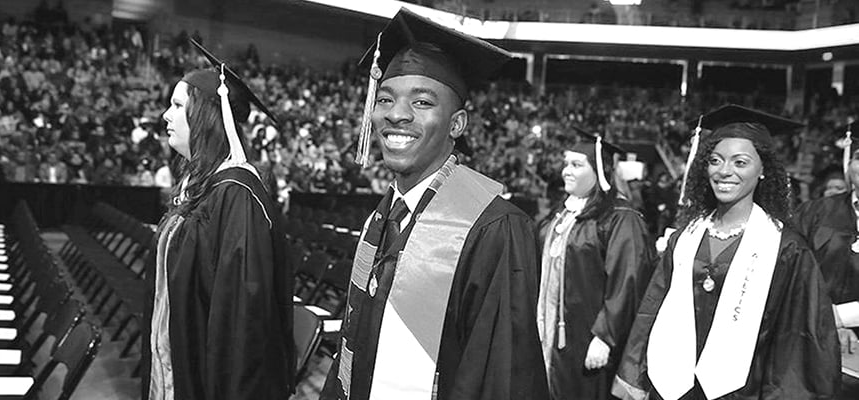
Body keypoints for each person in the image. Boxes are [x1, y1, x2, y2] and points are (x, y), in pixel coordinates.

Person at [321, 8, 548, 400]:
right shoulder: (383, 216)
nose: (396, 114)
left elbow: (504, 378)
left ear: (457, 125)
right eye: (386, 98)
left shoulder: (494, 228)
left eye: (422, 102)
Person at [613, 104, 839, 400]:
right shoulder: (685, 238)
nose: (724, 171)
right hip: (671, 386)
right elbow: (651, 308)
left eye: (740, 163)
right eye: (715, 160)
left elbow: (799, 337)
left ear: (763, 171)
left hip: (745, 390)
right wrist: (634, 373)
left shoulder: (786, 248)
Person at [142, 39, 293, 400]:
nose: (166, 114)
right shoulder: (200, 188)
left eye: (177, 105)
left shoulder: (236, 194)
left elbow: (243, 321)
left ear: (208, 115)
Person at [537, 128, 656, 400]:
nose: (567, 170)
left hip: (588, 338)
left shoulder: (619, 218)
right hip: (549, 335)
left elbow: (628, 279)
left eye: (577, 165)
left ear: (600, 171)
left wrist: (605, 336)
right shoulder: (561, 215)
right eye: (566, 163)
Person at [791, 121, 859, 396]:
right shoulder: (815, 213)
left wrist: (841, 318)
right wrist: (826, 320)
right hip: (809, 343)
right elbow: (790, 272)